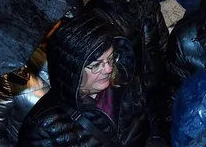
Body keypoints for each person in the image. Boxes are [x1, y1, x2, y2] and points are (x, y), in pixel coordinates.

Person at [17, 15, 160, 147]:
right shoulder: (43, 127)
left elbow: (153, 131)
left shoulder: (128, 84)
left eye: (111, 58)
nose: (108, 69)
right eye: (96, 65)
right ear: (73, 70)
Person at [83, 0, 169, 127]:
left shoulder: (147, 5)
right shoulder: (96, 19)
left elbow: (162, 45)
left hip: (158, 92)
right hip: (128, 106)